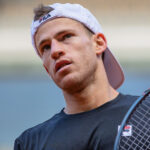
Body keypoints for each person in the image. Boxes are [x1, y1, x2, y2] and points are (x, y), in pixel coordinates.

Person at [14, 3, 138, 150]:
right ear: (47, 69)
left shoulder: (145, 112)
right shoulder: (29, 143)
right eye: (45, 47)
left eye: (66, 36)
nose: (55, 51)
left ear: (99, 43)